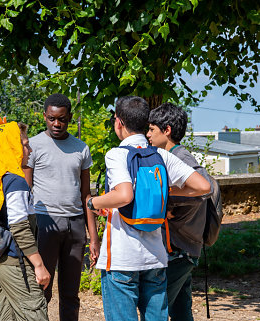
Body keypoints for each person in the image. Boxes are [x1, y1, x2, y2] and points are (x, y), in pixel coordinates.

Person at [86, 96, 210, 321]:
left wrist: (93, 203)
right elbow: (203, 186)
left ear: (119, 122)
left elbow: (124, 195)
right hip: (155, 257)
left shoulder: (117, 154)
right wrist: (167, 191)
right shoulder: (161, 155)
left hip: (122, 259)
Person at [23, 93, 100, 321]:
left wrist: (93, 238)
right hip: (45, 222)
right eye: (51, 118)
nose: (57, 124)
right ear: (44, 116)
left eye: (62, 119)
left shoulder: (81, 148)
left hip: (75, 225)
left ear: (69, 118)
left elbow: (86, 195)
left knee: (70, 293)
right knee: (41, 290)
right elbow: (26, 193)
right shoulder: (33, 146)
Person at [0, 121, 50, 321]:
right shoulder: (16, 182)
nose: (29, 150)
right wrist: (39, 265)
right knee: (35, 313)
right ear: (12, 146)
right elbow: (20, 227)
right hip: (15, 265)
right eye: (24, 144)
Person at [148, 102, 210, 321]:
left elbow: (202, 191)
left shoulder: (180, 159)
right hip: (184, 247)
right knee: (181, 311)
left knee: (156, 307)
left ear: (167, 130)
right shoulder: (176, 156)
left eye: (152, 129)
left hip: (179, 248)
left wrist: (165, 206)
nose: (148, 135)